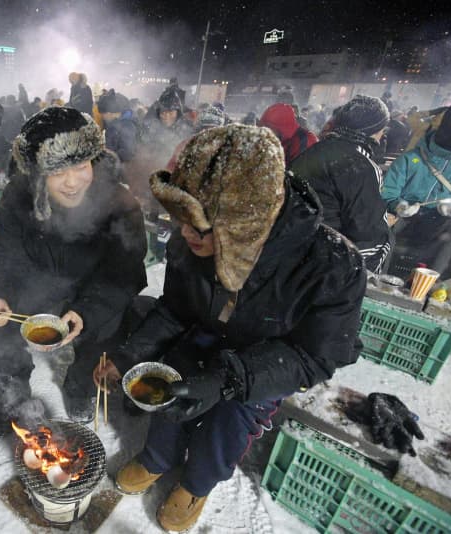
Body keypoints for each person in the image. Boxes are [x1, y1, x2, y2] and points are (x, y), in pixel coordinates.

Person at [94, 125, 366, 532]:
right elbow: (175, 309)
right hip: (206, 336)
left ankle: (196, 484)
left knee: (232, 418)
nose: (186, 235)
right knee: (172, 380)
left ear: (245, 221)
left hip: (266, 356)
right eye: (181, 220)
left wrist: (226, 379)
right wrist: (129, 355)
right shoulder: (190, 243)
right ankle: (157, 458)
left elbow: (316, 356)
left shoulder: (332, 265)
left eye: (200, 226)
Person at [0, 107, 147, 435]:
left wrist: (86, 312)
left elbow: (125, 271)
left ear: (93, 160)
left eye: (81, 166)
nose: (71, 182)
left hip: (91, 294)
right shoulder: (18, 194)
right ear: (38, 173)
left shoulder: (120, 203)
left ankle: (80, 386)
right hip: (36, 285)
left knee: (111, 327)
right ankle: (9, 384)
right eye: (57, 172)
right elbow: (1, 251)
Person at [290, 95, 392, 272]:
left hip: (291, 243)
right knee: (383, 240)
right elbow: (365, 229)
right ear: (373, 131)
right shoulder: (363, 166)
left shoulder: (313, 150)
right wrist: (385, 222)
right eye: (382, 130)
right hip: (323, 258)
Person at [381, 101, 451, 277]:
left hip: (442, 231)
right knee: (383, 230)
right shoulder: (412, 159)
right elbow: (387, 192)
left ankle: (425, 288)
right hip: (406, 224)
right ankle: (380, 278)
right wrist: (399, 206)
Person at [97, 89, 137, 163]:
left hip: (119, 167)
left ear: (110, 113)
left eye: (103, 114)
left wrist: (110, 155)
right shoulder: (113, 122)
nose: (102, 117)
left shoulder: (128, 126)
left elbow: (128, 152)